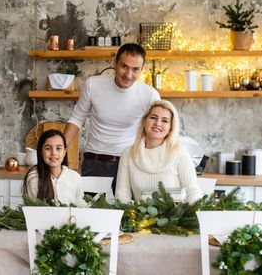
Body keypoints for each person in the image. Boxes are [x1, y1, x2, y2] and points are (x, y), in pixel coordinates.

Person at [64, 43, 160, 188]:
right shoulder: (93, 85)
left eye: (135, 70)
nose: (128, 75)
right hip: (93, 161)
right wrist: (60, 150)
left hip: (129, 163)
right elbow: (77, 118)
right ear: (115, 63)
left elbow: (158, 130)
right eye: (124, 66)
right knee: (90, 210)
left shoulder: (150, 95)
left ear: (142, 69)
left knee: (128, 211)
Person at [115, 100, 202, 203]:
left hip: (176, 218)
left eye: (165, 121)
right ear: (144, 121)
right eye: (153, 118)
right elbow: (122, 194)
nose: (157, 123)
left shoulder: (179, 152)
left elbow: (192, 191)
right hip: (139, 218)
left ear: (170, 128)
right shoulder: (128, 154)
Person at [22, 129, 87, 207]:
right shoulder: (34, 177)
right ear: (41, 152)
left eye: (58, 148)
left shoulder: (75, 177)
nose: (53, 153)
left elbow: (78, 201)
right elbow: (34, 210)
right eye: (48, 148)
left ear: (64, 152)